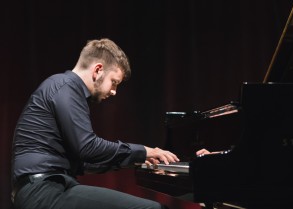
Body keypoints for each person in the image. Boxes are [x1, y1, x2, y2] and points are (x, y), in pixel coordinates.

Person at [11, 38, 179, 209]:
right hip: (44, 191)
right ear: (98, 70)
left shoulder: (64, 87)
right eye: (114, 82)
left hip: (47, 188)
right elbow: (87, 148)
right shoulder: (66, 86)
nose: (114, 92)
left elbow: (85, 162)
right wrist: (143, 151)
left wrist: (136, 160)